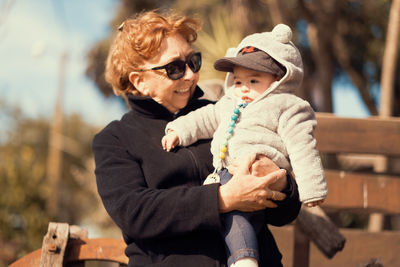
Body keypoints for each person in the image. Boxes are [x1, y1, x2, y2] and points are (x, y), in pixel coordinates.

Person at [92, 10, 301, 267]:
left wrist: (280, 183)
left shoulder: (227, 112)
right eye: (174, 68)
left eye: (193, 62)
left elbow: (286, 213)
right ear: (140, 82)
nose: (190, 75)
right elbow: (136, 213)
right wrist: (223, 199)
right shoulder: (115, 139)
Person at [162, 24, 328, 266]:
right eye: (238, 81)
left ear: (278, 80)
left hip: (258, 169)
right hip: (227, 173)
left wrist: (312, 188)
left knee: (236, 212)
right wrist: (178, 130)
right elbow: (204, 118)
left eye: (253, 80)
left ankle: (244, 260)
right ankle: (242, 258)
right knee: (236, 216)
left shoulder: (287, 106)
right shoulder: (229, 103)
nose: (244, 88)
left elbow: (303, 147)